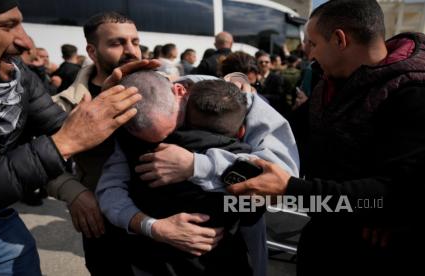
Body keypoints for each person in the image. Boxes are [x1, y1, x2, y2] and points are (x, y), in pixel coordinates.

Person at [227, 0, 425, 275]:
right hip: (325, 240)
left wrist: (291, 191)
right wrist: (241, 107)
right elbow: (291, 130)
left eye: (314, 43)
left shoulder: (413, 92)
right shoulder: (332, 81)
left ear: (340, 39)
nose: (310, 55)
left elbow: (394, 194)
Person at [0, 1, 141, 274]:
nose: (26, 41)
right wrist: (64, 152)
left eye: (135, 41)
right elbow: (58, 142)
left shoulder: (18, 77)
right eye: (6, 26)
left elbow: (57, 131)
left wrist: (104, 118)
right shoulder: (62, 96)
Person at [50, 12, 223, 275]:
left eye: (135, 41)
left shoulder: (167, 86)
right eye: (117, 43)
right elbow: (42, 160)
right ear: (92, 51)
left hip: (170, 222)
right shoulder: (66, 105)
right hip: (107, 225)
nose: (131, 51)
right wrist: (74, 192)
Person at [97, 71, 300, 276]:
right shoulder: (131, 119)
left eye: (176, 126)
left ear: (180, 91)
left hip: (237, 252)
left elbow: (282, 178)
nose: (172, 142)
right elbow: (110, 189)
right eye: (151, 143)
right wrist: (152, 226)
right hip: (157, 259)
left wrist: (196, 165)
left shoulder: (237, 102)